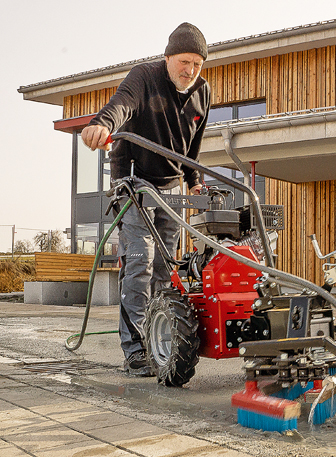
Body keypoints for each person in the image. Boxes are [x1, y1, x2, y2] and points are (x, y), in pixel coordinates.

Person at [81, 22, 210, 376]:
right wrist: (103, 124)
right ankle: (135, 350)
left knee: (164, 272)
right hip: (134, 181)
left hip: (170, 189)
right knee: (140, 262)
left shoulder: (203, 92)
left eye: (197, 64)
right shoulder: (144, 76)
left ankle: (159, 343)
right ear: (168, 57)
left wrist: (194, 181)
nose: (190, 70)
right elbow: (120, 105)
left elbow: (193, 144)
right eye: (185, 61)